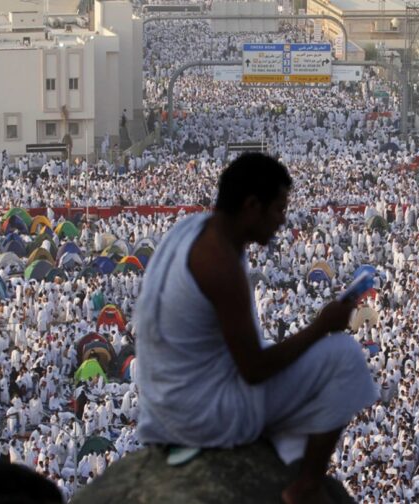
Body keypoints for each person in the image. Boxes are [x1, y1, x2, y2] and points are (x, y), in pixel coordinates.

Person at [134, 153, 378, 504]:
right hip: (202, 418)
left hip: (167, 407)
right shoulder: (219, 263)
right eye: (278, 209)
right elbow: (254, 370)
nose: (282, 220)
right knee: (345, 357)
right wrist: (321, 326)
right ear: (251, 206)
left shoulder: (191, 231)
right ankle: (305, 487)